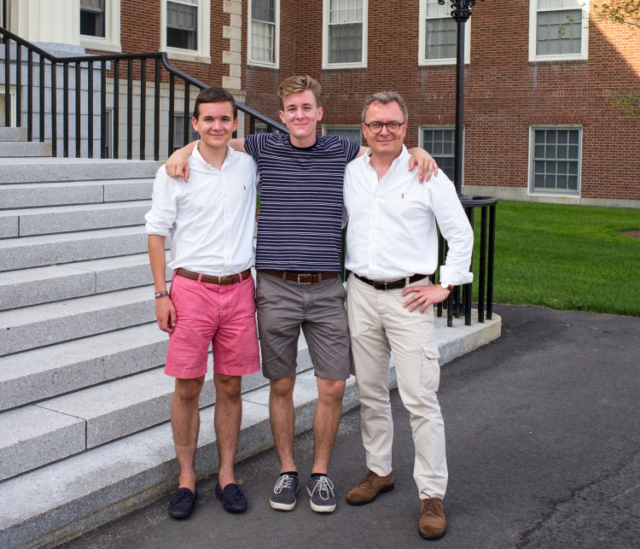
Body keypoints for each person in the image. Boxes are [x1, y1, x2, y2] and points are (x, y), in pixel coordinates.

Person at [164, 75, 437, 514]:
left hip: (328, 287)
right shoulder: (262, 149)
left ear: (320, 113)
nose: (300, 116)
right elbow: (216, 143)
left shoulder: (343, 151)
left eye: (307, 108)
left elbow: (385, 149)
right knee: (282, 383)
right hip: (274, 286)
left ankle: (321, 474)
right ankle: (288, 471)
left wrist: (419, 150)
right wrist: (179, 151)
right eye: (292, 109)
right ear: (281, 115)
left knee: (331, 385)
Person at [342, 91, 474, 540]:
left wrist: (446, 285)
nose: (384, 131)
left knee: (420, 398)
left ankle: (432, 494)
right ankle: (379, 471)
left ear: (405, 128)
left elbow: (459, 232)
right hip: (359, 292)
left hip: (410, 297)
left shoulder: (427, 174)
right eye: (376, 123)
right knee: (371, 392)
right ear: (363, 128)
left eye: (392, 124)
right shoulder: (350, 174)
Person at [145, 87, 260, 520]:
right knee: (188, 386)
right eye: (207, 119)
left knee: (231, 385)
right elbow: (157, 233)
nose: (217, 126)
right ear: (195, 124)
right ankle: (187, 478)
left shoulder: (249, 165)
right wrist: (161, 294)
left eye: (224, 119)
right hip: (190, 290)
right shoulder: (174, 171)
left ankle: (227, 475)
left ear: (235, 123)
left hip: (238, 288)